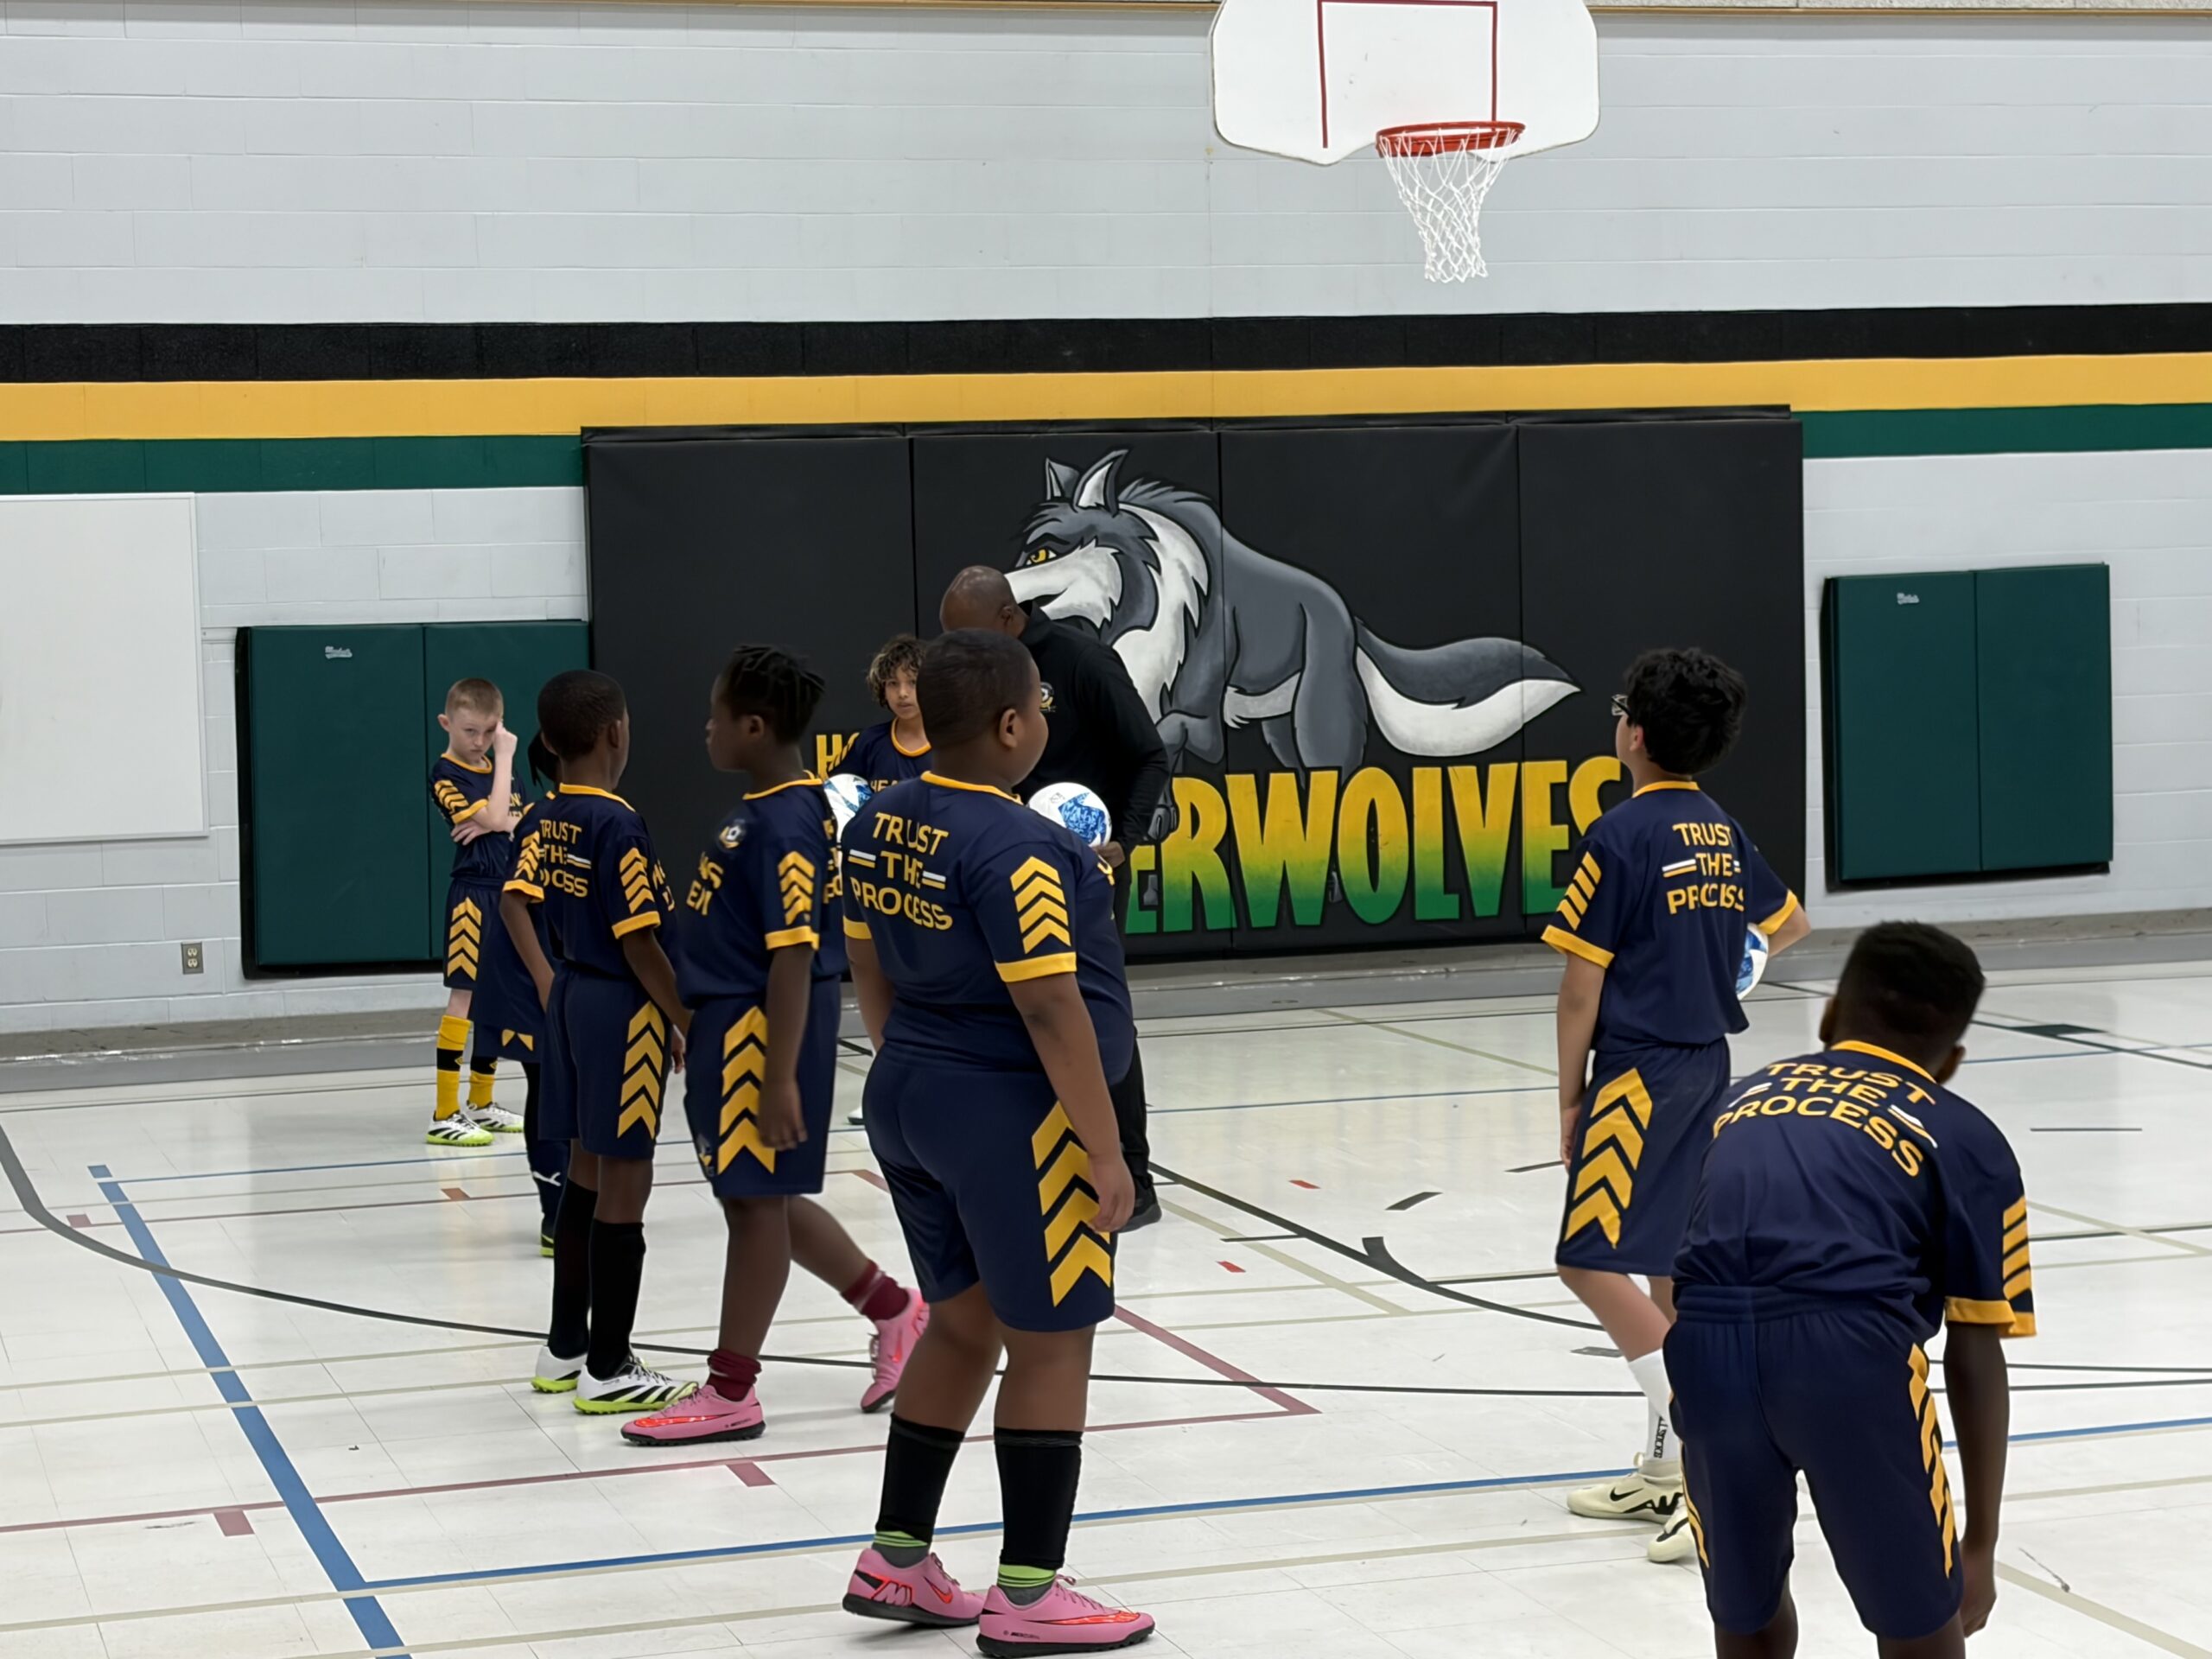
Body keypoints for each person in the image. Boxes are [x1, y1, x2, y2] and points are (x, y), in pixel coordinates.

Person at [837, 630, 1155, 1654]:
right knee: (1054, 1341)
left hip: (909, 1093)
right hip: (1013, 1116)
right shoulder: (1022, 847)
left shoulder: (875, 818)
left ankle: (896, 1559)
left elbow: (867, 962)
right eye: (1042, 709)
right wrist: (1104, 1152)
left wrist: (911, 1061)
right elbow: (1052, 1008)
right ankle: (1027, 1594)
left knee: (964, 1325)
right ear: (1013, 726)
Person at [1670, 922, 2032, 1658]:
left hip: (1706, 1348)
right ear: (1950, 1061)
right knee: (1920, 1624)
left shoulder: (1735, 1102)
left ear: (1831, 1015)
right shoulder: (1965, 1135)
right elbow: (1975, 1351)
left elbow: (1682, 1259)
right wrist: (1981, 1544)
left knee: (1745, 1613)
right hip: (1848, 1356)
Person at [621, 646, 928, 1446]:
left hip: (760, 1029)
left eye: (717, 717)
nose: (707, 729)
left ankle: (732, 1391)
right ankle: (896, 1310)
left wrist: (780, 1074)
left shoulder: (787, 820)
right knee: (763, 1197)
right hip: (730, 1024)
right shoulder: (763, 809)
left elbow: (792, 954)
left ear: (754, 727)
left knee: (755, 1206)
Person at [1545, 647, 1812, 1562]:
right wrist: (1722, 967)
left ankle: (1716, 1461)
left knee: (1587, 1262)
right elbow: (1788, 923)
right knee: (1668, 1273)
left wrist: (1571, 1097)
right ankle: (1668, 1471)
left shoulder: (1619, 835)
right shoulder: (1718, 827)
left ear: (1635, 735)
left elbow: (1579, 989)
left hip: (1638, 1076)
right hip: (1706, 1067)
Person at [940, 566, 1172, 1231]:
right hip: (1004, 864)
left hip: (1082, 872)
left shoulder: (1080, 662)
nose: (957, 652)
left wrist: (1122, 843)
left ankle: (1133, 1176)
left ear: (1008, 618)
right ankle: (1041, 1163)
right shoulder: (981, 681)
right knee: (1017, 1006)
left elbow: (1149, 756)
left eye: (967, 636)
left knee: (1095, 1017)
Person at [502, 670, 694, 1415]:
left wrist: (548, 980)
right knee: (627, 1179)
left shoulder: (545, 814)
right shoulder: (617, 823)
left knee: (586, 1169)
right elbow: (640, 939)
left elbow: (517, 901)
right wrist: (684, 1016)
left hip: (572, 999)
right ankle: (610, 1365)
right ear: (616, 732)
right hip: (621, 1005)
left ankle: (564, 1346)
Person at [462, 731, 569, 1252]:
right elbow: (514, 904)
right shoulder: (542, 822)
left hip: (561, 973)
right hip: (526, 976)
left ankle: (577, 1205)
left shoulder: (603, 816)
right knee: (548, 1087)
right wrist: (546, 980)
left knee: (570, 1091)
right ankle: (556, 1214)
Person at [425, 677, 527, 1146]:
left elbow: (522, 820)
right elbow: (498, 818)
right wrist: (497, 813)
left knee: (497, 998)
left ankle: (482, 1101)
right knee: (464, 997)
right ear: (446, 723)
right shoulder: (446, 773)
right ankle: (445, 1111)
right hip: (472, 896)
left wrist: (494, 819)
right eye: (470, 731)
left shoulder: (499, 769)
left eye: (490, 732)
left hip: (508, 895)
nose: (480, 741)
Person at [839, 633, 931, 789]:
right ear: (883, 688)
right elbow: (834, 791)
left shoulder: (953, 745)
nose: (902, 693)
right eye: (893, 683)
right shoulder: (868, 742)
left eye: (913, 682)